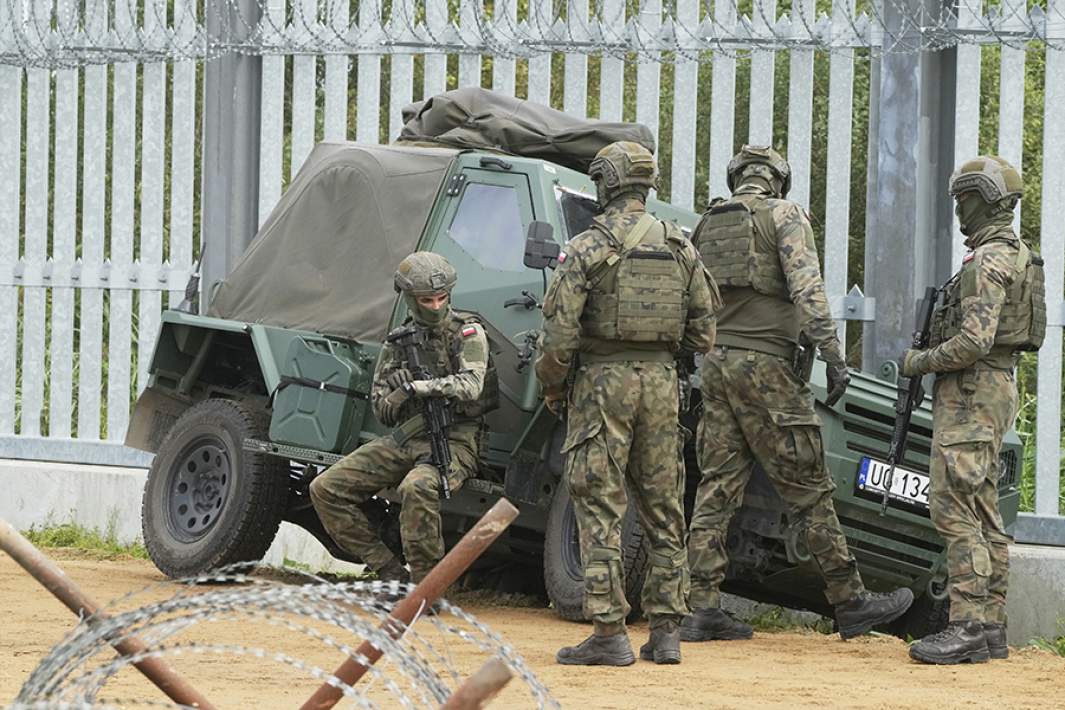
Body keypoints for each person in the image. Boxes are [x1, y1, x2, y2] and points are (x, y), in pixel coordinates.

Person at [684, 145, 914, 643]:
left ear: (738, 177)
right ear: (778, 180)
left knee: (717, 487)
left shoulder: (707, 223)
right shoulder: (785, 215)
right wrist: (833, 356)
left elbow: (693, 298)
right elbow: (808, 291)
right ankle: (850, 601)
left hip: (718, 367)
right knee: (809, 487)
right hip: (766, 370)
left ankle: (700, 607)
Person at [536, 141, 720, 666]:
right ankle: (665, 634)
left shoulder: (589, 246)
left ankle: (609, 632)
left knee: (598, 503)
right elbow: (705, 333)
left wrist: (555, 387)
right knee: (664, 507)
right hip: (662, 386)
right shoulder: (682, 246)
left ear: (606, 182)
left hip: (601, 383)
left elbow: (558, 337)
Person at [903, 156, 1044, 665]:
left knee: (953, 505)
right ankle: (989, 629)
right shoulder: (1016, 254)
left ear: (984, 199)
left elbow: (974, 341)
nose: (959, 207)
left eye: (964, 197)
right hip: (994, 388)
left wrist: (918, 361)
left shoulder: (986, 262)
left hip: (970, 391)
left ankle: (964, 625)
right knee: (983, 508)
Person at [309, 252, 496, 585]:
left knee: (418, 486)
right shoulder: (398, 343)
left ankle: (426, 587)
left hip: (455, 440)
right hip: (408, 437)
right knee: (326, 488)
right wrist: (394, 396)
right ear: (410, 299)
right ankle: (389, 572)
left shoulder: (468, 332)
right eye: (427, 299)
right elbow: (380, 408)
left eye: (442, 298)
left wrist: (416, 387)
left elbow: (471, 385)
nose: (436, 306)